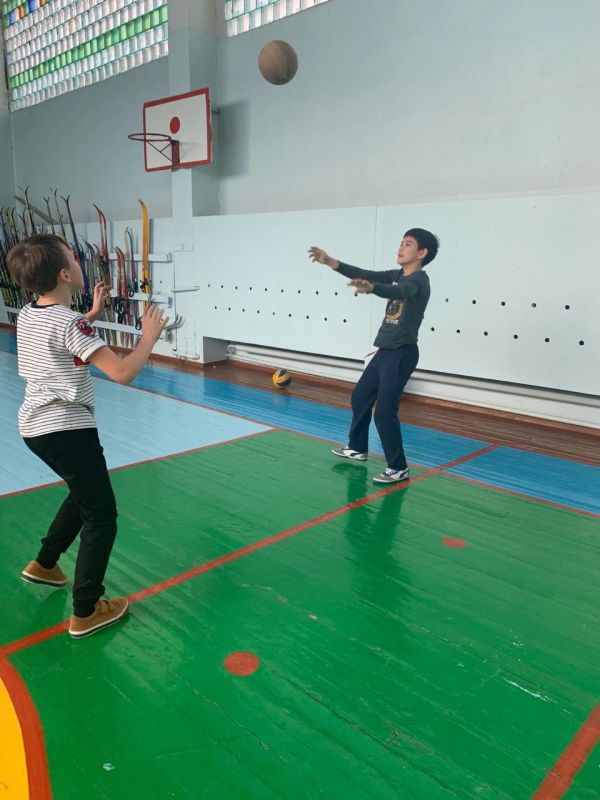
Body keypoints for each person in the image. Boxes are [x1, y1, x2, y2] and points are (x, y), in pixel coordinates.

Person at [7, 233, 168, 638]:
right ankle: (86, 609)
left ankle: (45, 563)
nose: (80, 264)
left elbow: (60, 337)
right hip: (66, 428)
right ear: (65, 274)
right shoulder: (69, 322)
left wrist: (92, 314)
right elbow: (122, 373)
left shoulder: (29, 313)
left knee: (83, 495)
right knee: (102, 515)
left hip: (36, 428)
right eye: (74, 259)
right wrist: (149, 337)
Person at [308, 228, 439, 484]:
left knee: (384, 412)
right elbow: (367, 274)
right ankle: (358, 447)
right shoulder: (397, 275)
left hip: (402, 353)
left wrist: (373, 289)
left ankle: (398, 467)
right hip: (384, 351)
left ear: (422, 253)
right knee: (360, 396)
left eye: (408, 244)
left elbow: (401, 292)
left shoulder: (419, 281)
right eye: (401, 243)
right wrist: (331, 262)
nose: (401, 247)